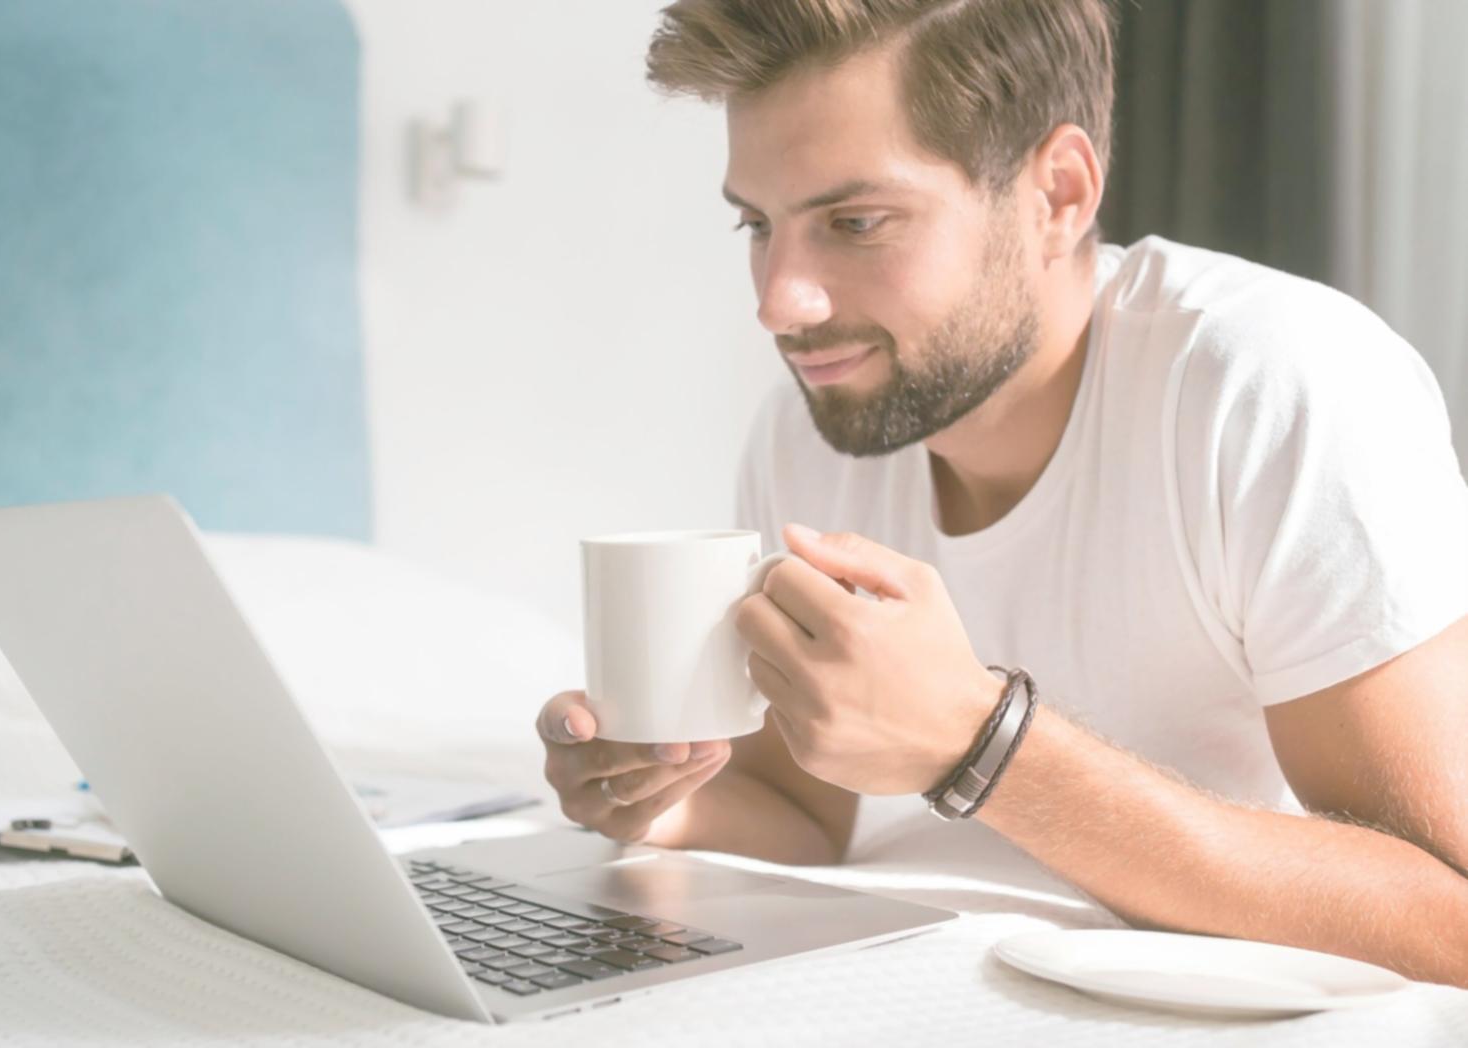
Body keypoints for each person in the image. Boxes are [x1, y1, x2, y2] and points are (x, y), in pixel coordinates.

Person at [535, 0, 1468, 986]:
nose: (778, 300)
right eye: (758, 224)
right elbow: (801, 812)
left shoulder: (1272, 384)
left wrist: (978, 742)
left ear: (1055, 195)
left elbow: (1446, 918)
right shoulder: (818, 422)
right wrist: (660, 800)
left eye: (854, 223)